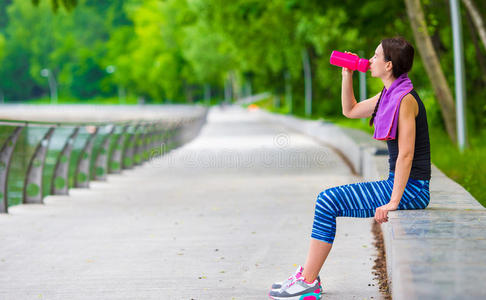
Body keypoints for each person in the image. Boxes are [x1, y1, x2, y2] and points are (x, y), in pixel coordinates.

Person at [268, 36, 431, 300]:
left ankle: (309, 282)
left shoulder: (405, 100)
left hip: (412, 189)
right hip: (398, 184)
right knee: (327, 200)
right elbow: (351, 110)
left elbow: (406, 155)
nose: (371, 59)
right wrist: (347, 74)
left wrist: (393, 201)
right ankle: (308, 276)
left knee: (327, 200)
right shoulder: (389, 95)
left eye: (377, 56)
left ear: (389, 65)